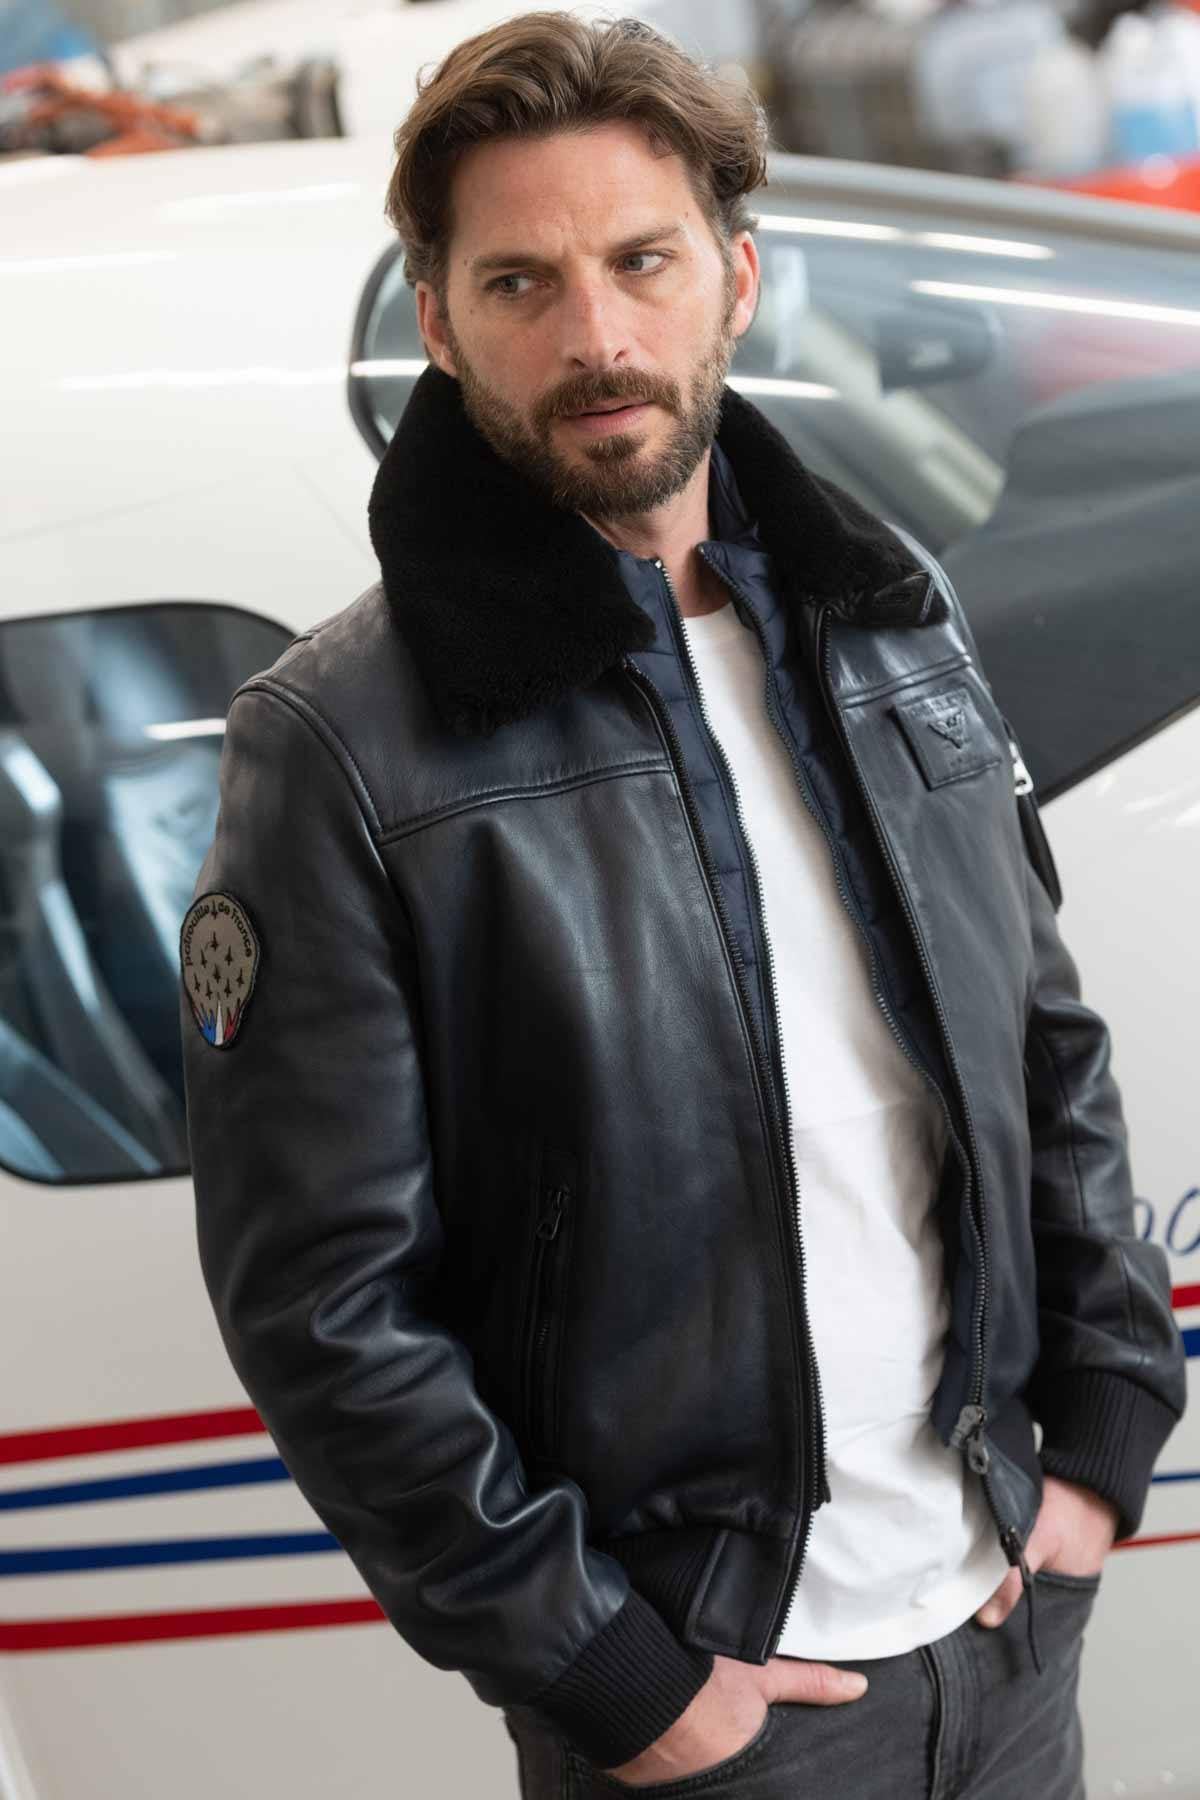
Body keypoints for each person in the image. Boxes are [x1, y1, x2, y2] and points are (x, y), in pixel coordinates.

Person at [178, 14, 1186, 1797]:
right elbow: (322, 1302)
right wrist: (612, 1672)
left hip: (1005, 1631)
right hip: (714, 1709)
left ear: (736, 278)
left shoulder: (888, 614)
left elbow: (1044, 1045)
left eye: (642, 261)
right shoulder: (338, 745)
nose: (598, 337)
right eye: (521, 282)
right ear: (441, 324)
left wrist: (1105, 1430)